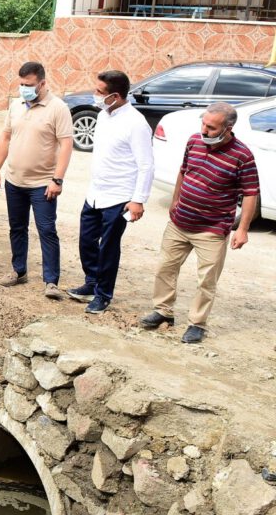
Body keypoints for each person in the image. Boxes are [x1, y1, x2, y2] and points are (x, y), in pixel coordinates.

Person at [140, 102, 259, 344]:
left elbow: (250, 192)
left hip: (212, 229)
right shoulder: (194, 141)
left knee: (206, 280)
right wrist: (175, 200)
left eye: (212, 128)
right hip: (180, 221)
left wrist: (243, 229)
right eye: (203, 124)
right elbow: (184, 171)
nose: (204, 130)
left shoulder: (242, 155)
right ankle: (163, 311)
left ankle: (197, 323)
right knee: (165, 267)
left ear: (228, 128)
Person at [67, 70, 153, 314]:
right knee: (86, 241)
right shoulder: (104, 115)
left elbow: (146, 165)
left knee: (109, 247)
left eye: (99, 92)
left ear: (115, 95)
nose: (95, 95)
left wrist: (138, 200)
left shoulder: (136, 124)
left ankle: (103, 294)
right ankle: (91, 282)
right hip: (95, 193)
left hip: (119, 197)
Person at [0, 61, 74, 299]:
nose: (24, 88)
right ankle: (19, 271)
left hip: (42, 183)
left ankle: (51, 281)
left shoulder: (58, 108)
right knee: (17, 228)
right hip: (14, 180)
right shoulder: (16, 105)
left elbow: (66, 145)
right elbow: (5, 138)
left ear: (43, 83)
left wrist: (57, 179)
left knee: (47, 230)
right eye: (21, 84)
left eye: (29, 85)